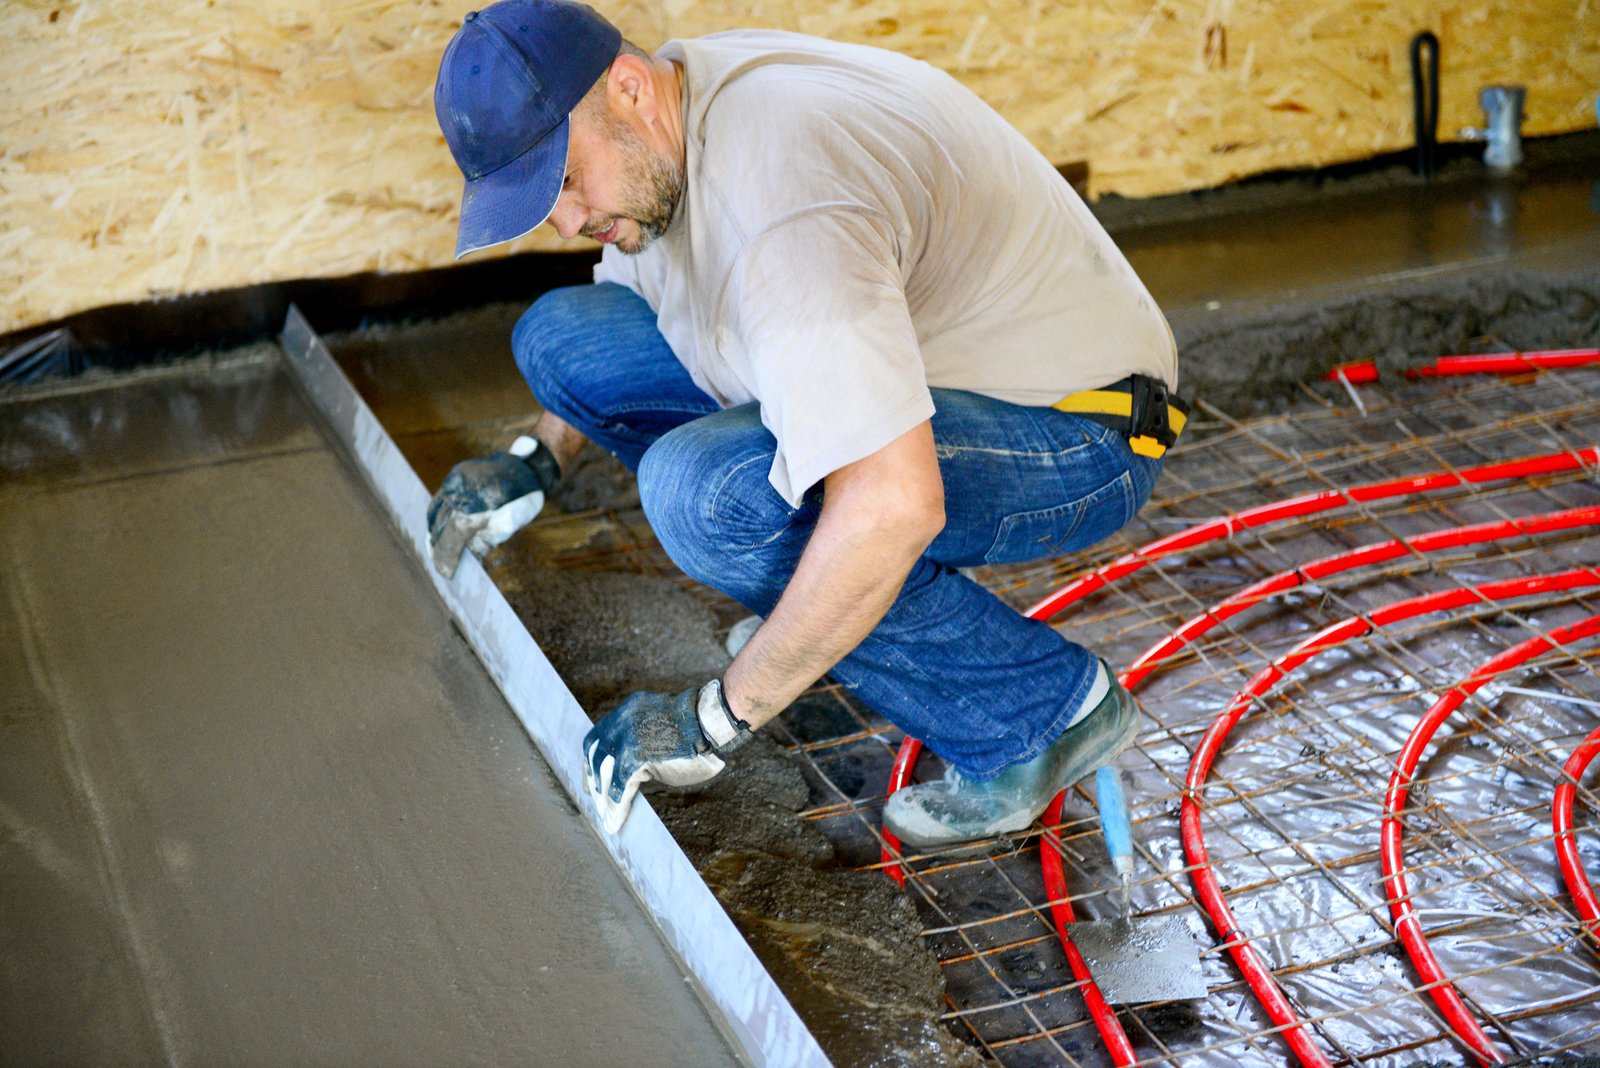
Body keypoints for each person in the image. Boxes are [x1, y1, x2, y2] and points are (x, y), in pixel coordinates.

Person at [426, 0, 1184, 845]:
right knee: (563, 341)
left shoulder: (786, 199)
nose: (566, 223)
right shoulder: (672, 116)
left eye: (565, 182)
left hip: (1077, 427)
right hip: (930, 369)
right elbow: (637, 302)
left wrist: (719, 716)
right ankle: (828, 618)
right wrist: (536, 457)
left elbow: (893, 506)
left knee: (711, 501)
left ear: (631, 89)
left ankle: (1042, 712)